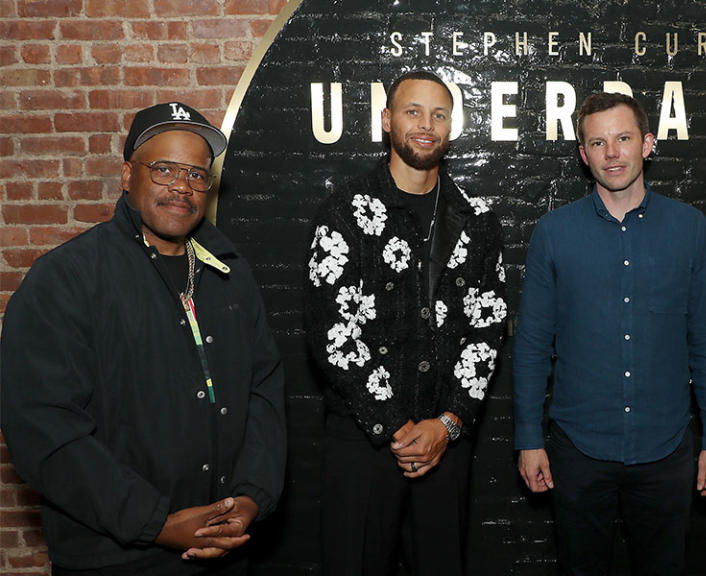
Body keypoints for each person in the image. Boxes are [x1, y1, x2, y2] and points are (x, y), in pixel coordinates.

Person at [0, 102, 287, 575]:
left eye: (197, 174)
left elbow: (264, 392)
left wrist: (250, 499)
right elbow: (43, 428)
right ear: (127, 175)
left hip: (225, 549)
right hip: (117, 558)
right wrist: (154, 522)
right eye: (165, 169)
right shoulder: (66, 278)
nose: (182, 186)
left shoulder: (229, 273)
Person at [513, 91, 706, 576]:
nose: (612, 152)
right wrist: (529, 437)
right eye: (598, 142)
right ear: (583, 154)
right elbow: (532, 346)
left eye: (623, 138)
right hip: (577, 449)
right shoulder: (554, 232)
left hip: (668, 447)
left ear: (647, 144)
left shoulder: (689, 228)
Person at [305, 70, 506, 575]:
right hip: (363, 439)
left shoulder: (476, 218)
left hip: (445, 440)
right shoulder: (344, 212)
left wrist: (449, 423)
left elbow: (488, 328)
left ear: (451, 127)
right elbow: (333, 337)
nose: (426, 124)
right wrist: (396, 426)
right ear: (387, 119)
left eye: (439, 114)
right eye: (413, 111)